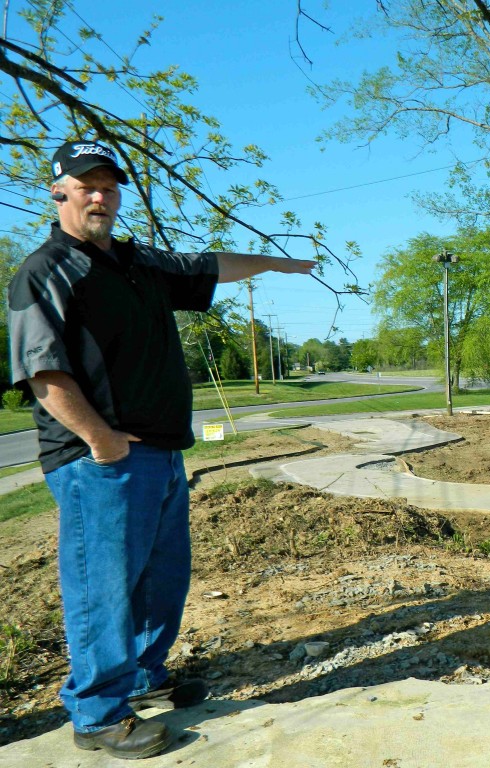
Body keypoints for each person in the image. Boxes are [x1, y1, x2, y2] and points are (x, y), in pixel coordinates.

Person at [6, 140, 315, 760]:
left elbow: (208, 266)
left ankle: (145, 679)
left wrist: (276, 266)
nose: (99, 196)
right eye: (86, 185)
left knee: (161, 581)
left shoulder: (136, 263)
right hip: (100, 462)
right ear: (58, 192)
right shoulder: (44, 271)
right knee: (104, 587)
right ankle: (97, 714)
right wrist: (102, 441)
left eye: (109, 186)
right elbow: (44, 375)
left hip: (163, 453)